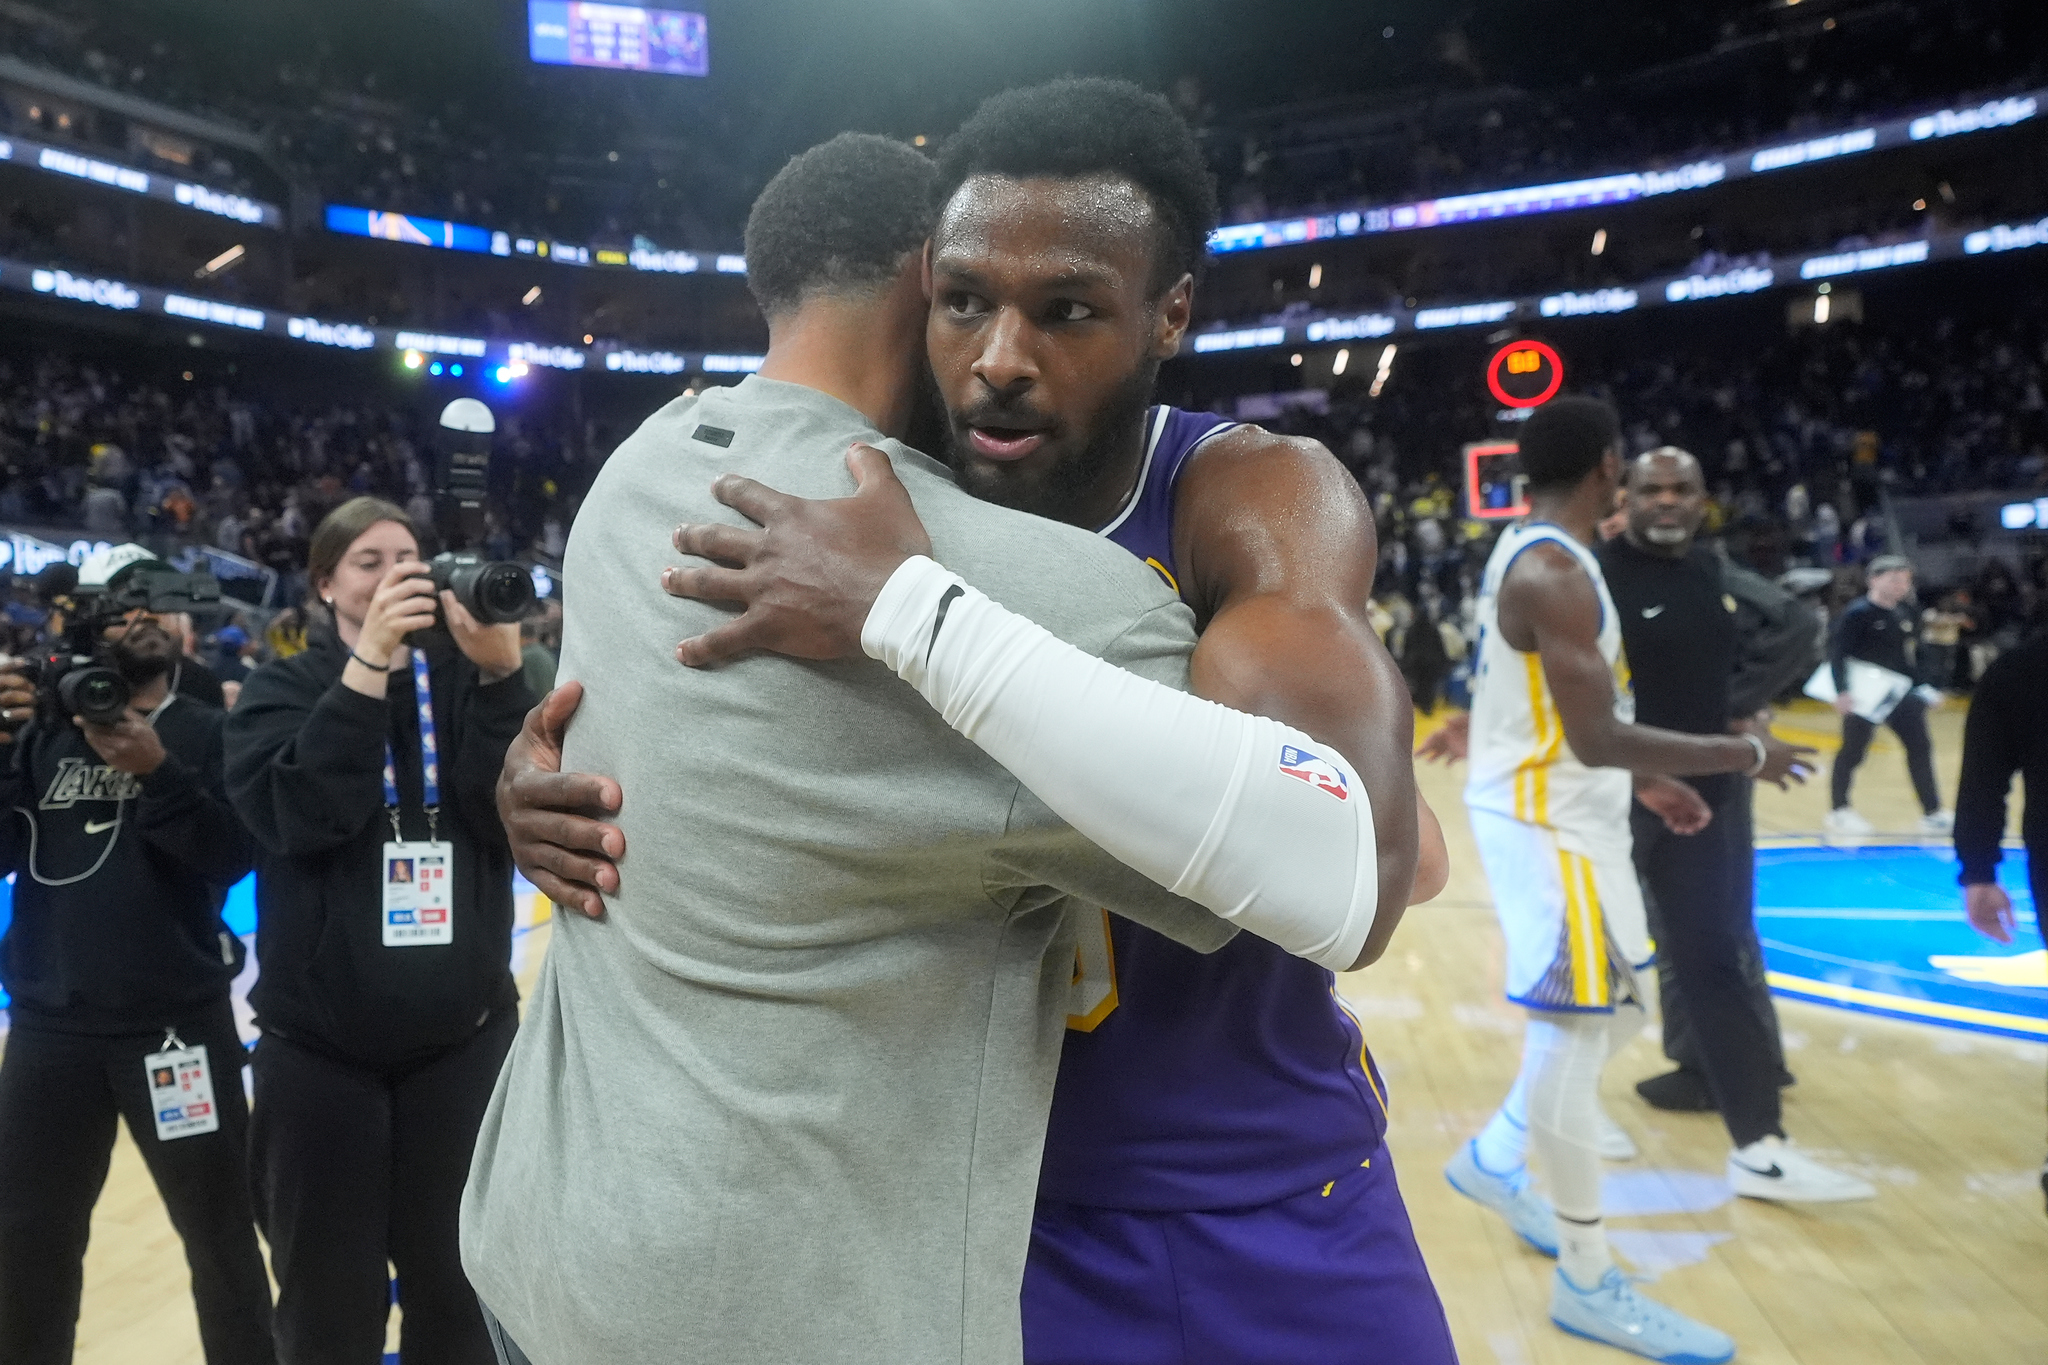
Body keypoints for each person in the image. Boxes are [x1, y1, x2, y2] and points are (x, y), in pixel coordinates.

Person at [501, 81, 1457, 1365]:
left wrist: (912, 611)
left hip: (1256, 1183)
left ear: (1168, 314)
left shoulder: (1245, 492)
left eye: (1065, 312)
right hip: (982, 1211)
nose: (1000, 356)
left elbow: (1377, 867)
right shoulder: (857, 493)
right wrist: (557, 797)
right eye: (963, 304)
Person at [1439, 397, 1812, 1363]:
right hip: (1547, 827)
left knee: (1620, 1014)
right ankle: (1589, 1277)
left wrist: (1650, 781)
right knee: (1575, 1031)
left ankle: (1493, 1156)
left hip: (1569, 811)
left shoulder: (1544, 556)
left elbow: (1565, 723)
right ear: (1609, 466)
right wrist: (1736, 753)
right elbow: (1596, 732)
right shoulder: (1557, 571)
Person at [223, 496, 533, 1365]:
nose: (397, 571)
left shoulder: (467, 671)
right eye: (369, 560)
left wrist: (506, 675)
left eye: (410, 556)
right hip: (321, 1061)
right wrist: (367, 667)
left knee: (463, 1298)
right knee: (327, 1311)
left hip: (461, 1049)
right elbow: (299, 816)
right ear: (325, 582)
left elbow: (503, 815)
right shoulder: (281, 685)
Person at [0, 545, 274, 1364]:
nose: (147, 614)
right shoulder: (38, 735)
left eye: (161, 601)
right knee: (26, 1245)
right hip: (49, 1033)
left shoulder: (206, 731)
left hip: (176, 1029)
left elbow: (232, 855)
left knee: (221, 1236)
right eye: (125, 603)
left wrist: (159, 775)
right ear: (88, 625)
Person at [1595, 449, 1872, 1199]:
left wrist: (1740, 714)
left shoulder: (1713, 575)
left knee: (1715, 958)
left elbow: (1789, 629)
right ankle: (1555, 1113)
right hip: (1611, 796)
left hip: (1706, 798)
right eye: (1651, 488)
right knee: (1600, 965)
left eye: (1681, 488)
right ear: (1624, 495)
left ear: (1702, 498)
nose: (1665, 501)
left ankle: (1761, 1144)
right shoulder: (1591, 571)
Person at [1953, 618, 2048, 1215]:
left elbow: (1984, 777)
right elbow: (1985, 777)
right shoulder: (2023, 670)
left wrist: (1980, 871)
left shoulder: (2020, 665)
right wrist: (1978, 869)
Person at [1824, 554, 1951, 835]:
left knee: (1920, 747)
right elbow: (1837, 655)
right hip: (1865, 695)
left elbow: (1909, 658)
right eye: (1894, 579)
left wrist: (1924, 688)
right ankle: (1839, 810)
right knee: (1853, 752)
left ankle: (1932, 811)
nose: (1901, 586)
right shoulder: (1856, 614)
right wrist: (1842, 691)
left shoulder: (1905, 613)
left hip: (1900, 693)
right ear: (1874, 580)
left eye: (1905, 580)